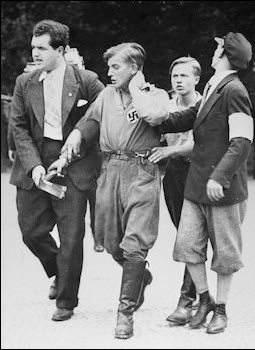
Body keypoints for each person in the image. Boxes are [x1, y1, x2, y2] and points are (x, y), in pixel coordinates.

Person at [48, 42, 169, 339]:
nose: (109, 72)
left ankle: (124, 314)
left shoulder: (156, 95)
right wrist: (67, 151)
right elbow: (88, 124)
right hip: (110, 170)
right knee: (111, 242)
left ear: (135, 68)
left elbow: (154, 117)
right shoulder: (106, 96)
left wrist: (138, 89)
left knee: (134, 244)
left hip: (141, 172)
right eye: (109, 67)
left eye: (116, 67)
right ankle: (142, 275)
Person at [139, 32, 253, 334]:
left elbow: (241, 141)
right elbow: (191, 116)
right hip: (197, 183)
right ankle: (203, 299)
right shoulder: (214, 84)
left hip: (221, 187)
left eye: (218, 49)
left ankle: (221, 310)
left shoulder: (235, 90)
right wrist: (158, 120)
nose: (213, 52)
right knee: (188, 245)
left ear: (227, 55)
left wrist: (220, 176)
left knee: (225, 253)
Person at [9, 19, 104, 321]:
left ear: (61, 50)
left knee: (72, 237)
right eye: (33, 47)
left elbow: (101, 113)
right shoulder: (25, 82)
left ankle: (66, 302)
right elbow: (19, 127)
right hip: (34, 163)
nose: (35, 54)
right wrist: (34, 166)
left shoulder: (87, 80)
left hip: (74, 166)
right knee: (31, 232)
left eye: (42, 48)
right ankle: (58, 273)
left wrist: (79, 137)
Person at [148, 56, 202, 326]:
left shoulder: (203, 106)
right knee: (184, 236)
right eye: (175, 76)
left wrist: (171, 149)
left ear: (196, 79)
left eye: (184, 76)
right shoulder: (165, 107)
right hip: (174, 175)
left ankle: (186, 301)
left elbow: (199, 144)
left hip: (198, 173)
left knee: (192, 238)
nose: (178, 80)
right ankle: (200, 295)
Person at [241, 56, 255, 179]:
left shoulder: (251, 76)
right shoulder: (251, 76)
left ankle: (254, 171)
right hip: (253, 107)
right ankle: (253, 171)